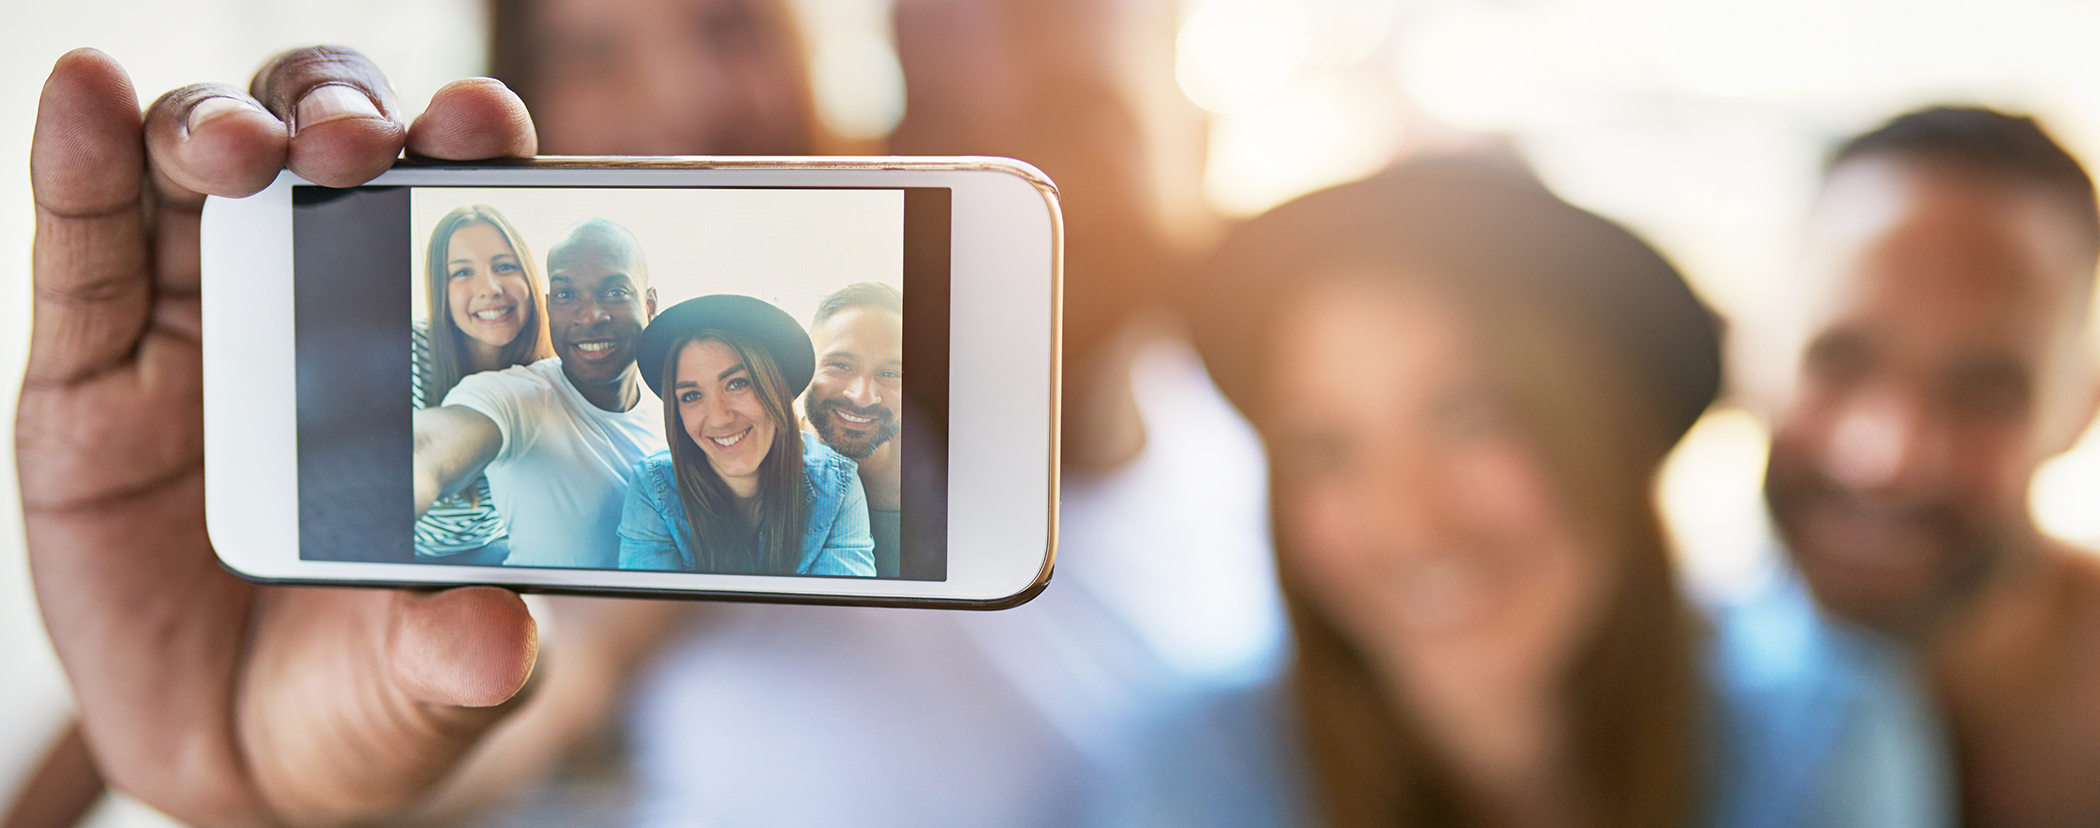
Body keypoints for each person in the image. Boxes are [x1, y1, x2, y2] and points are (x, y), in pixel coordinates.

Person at [18, 0, 1283, 819]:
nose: (688, 100)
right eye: (597, 52)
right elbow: (511, 676)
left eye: (729, 25)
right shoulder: (565, 417)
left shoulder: (903, 347)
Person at [1191, 158, 1921, 828]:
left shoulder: (1823, 743)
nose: (1408, 521)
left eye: (1469, 416)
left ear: (1606, 432)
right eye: (1323, 449)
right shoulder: (1191, 778)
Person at [1755, 106, 2100, 827]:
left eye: (1983, 389)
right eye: (1838, 360)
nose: (1886, 459)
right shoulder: (1660, 682)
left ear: (2080, 410)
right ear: (1753, 357)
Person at [414, 217, 667, 570]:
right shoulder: (516, 395)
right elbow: (428, 446)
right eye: (566, 295)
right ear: (549, 307)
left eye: (615, 292)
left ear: (650, 305)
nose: (590, 316)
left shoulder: (678, 407)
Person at [618, 295, 876, 576]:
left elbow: (843, 615)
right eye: (691, 395)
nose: (718, 418)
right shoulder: (653, 488)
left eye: (737, 383)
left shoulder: (837, 486)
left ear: (775, 387)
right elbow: (651, 614)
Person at [414, 204, 554, 564]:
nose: (489, 288)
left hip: (496, 552)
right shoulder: (405, 353)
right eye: (462, 272)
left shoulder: (555, 370)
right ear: (441, 291)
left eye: (505, 266)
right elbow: (419, 450)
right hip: (405, 556)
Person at [801, 282, 905, 577]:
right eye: (841, 365)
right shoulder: (757, 459)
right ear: (806, 363)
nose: (862, 396)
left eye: (890, 373)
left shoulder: (946, 484)